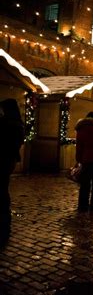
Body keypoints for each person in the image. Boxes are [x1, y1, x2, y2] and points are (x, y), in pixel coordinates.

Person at [0, 99, 24, 244]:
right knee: (3, 188)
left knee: (2, 190)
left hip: (3, 158)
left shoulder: (6, 123)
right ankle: (5, 220)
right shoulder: (18, 124)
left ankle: (3, 221)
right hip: (10, 159)